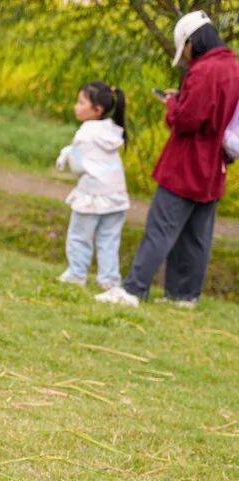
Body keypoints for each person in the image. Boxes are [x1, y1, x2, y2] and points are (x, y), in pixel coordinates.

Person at [97, 11, 239, 307]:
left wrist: (173, 103)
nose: (185, 57)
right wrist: (183, 98)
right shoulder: (232, 67)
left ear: (191, 41)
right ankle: (183, 295)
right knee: (196, 235)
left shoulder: (204, 71)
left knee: (160, 228)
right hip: (214, 166)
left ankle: (133, 290)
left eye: (184, 49)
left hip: (187, 164)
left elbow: (188, 120)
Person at [54, 81, 130, 289]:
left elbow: (78, 167)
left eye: (81, 103)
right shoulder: (113, 130)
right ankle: (109, 279)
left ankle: (77, 273)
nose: (76, 107)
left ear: (97, 110)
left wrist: (66, 155)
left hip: (92, 195)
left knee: (80, 236)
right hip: (116, 195)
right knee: (109, 240)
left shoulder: (85, 132)